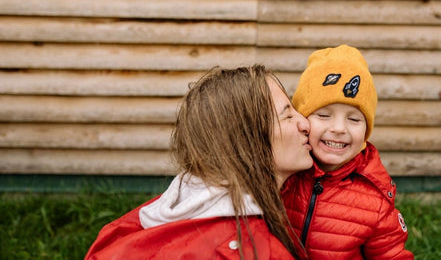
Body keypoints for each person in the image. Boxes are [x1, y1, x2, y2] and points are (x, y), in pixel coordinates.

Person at [85, 65, 313, 259]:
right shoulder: (258, 250)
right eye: (287, 115)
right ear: (247, 140)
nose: (305, 123)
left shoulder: (157, 215)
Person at [281, 45, 414, 259]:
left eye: (353, 119)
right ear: (302, 120)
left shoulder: (375, 201)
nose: (339, 128)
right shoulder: (283, 173)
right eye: (324, 115)